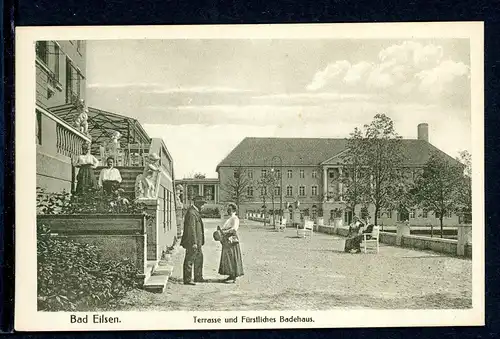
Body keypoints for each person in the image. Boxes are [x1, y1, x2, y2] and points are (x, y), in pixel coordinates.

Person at [180, 196, 206, 285]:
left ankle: (198, 277)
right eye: (202, 204)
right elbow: (191, 229)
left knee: (199, 258)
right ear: (198, 204)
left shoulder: (195, 212)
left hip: (197, 241)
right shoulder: (191, 213)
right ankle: (187, 279)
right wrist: (194, 242)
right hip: (192, 241)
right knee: (190, 259)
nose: (203, 207)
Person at [218, 203, 244, 283]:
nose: (228, 211)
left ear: (233, 210)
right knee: (228, 257)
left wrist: (224, 231)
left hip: (231, 239)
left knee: (232, 256)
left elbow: (234, 229)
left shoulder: (235, 218)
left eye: (229, 209)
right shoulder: (230, 219)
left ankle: (235, 275)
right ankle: (230, 274)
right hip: (226, 239)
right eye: (227, 209)